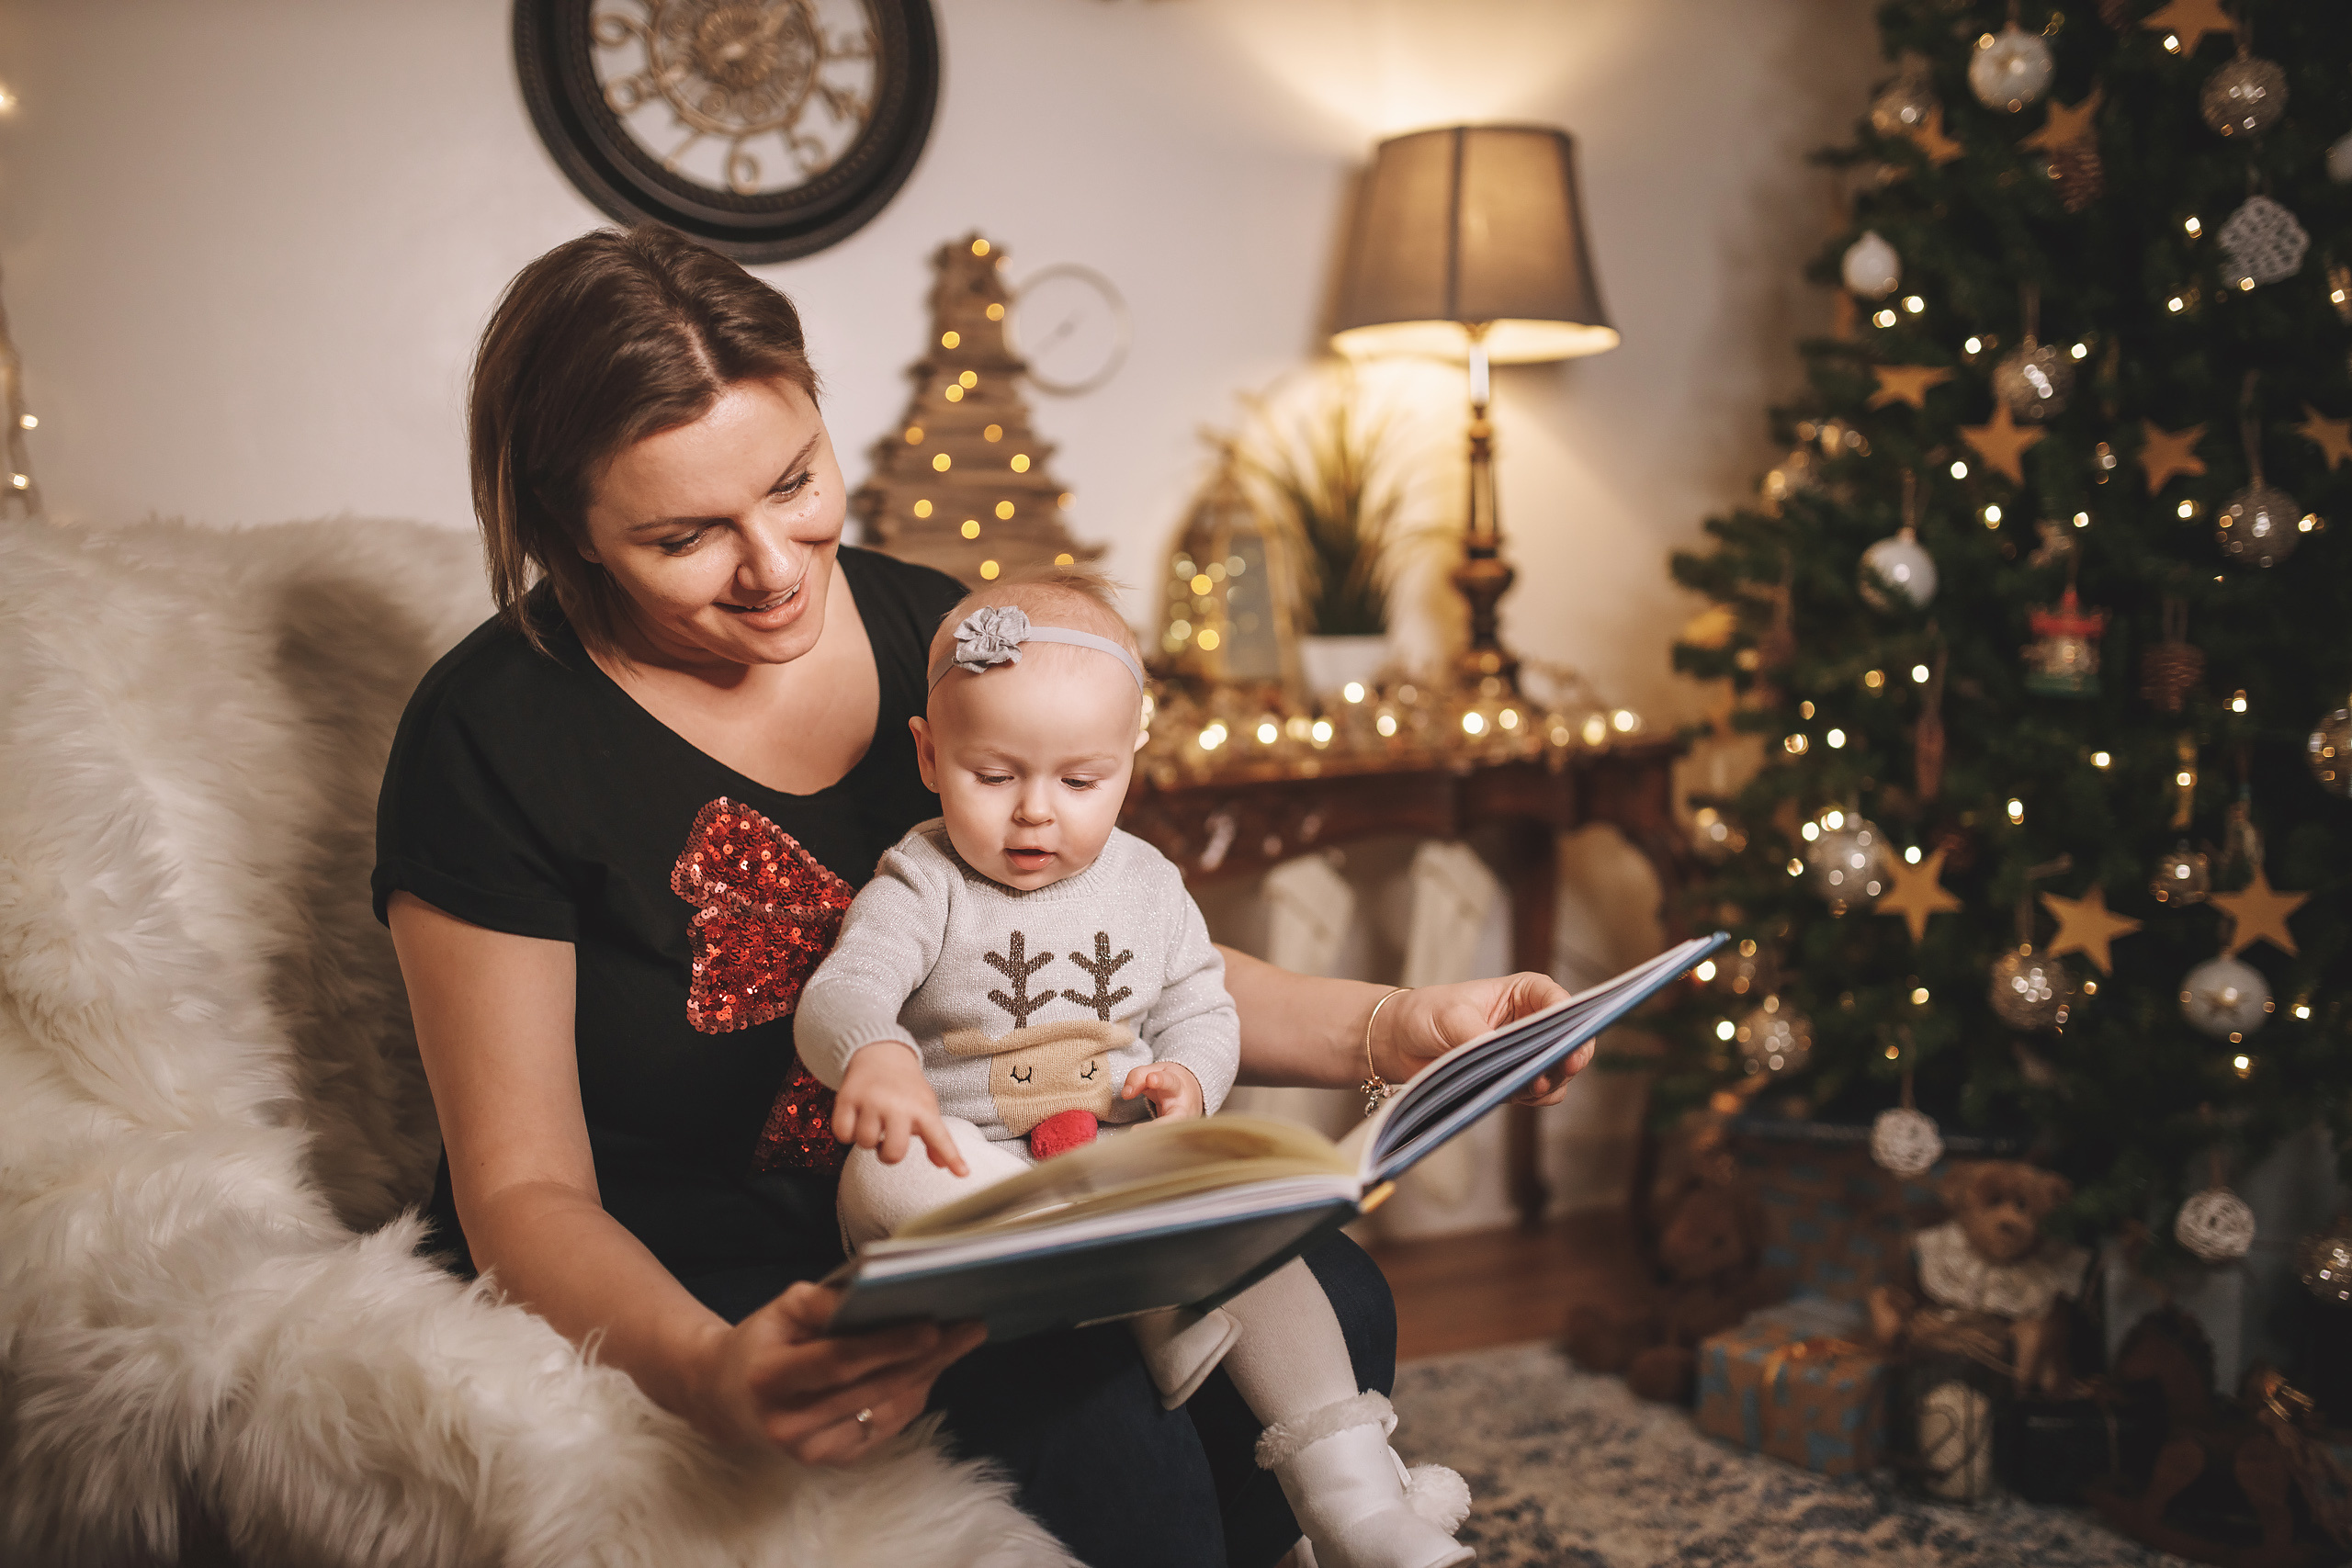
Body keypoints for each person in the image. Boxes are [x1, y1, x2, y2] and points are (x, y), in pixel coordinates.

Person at [374, 223, 1588, 1568]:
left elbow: (1108, 946)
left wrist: (1397, 1026)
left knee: (1333, 1296)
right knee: (1095, 1421)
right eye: (686, 535)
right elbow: (526, 1188)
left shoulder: (946, 638)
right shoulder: (493, 734)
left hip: (1010, 1184)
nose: (775, 564)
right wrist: (714, 1371)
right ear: (570, 528)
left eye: (795, 480)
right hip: (706, 1260)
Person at [797, 575, 1472, 1568]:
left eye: (1080, 782)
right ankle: (1143, 1296)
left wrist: (1189, 1082)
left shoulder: (1148, 884)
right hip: (973, 1170)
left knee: (1254, 1238)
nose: (1035, 815)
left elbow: (1202, 1004)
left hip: (1111, 1160)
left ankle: (1353, 1498)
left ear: (1128, 762)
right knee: (880, 1173)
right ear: (929, 755)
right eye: (993, 776)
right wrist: (879, 1056)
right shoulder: (922, 879)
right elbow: (840, 991)